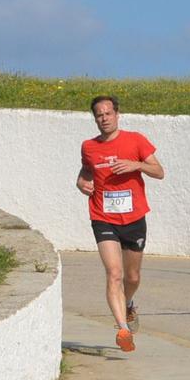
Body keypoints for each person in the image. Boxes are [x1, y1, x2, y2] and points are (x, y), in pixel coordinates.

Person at [75, 96, 163, 352]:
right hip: (103, 217)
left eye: (108, 113)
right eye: (99, 115)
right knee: (114, 273)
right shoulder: (89, 147)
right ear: (95, 119)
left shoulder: (136, 140)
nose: (104, 118)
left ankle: (128, 303)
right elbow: (86, 171)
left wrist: (136, 165)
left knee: (132, 277)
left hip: (134, 218)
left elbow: (159, 172)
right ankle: (123, 329)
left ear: (117, 114)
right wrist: (81, 182)